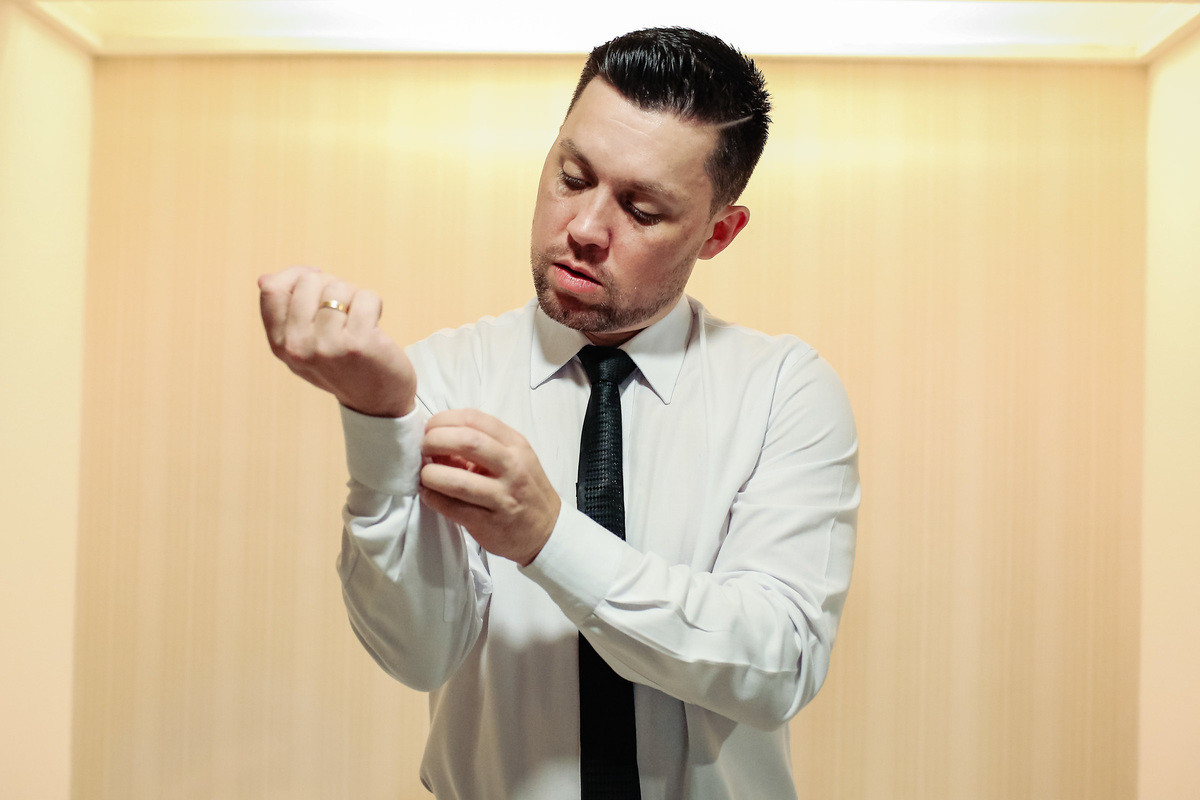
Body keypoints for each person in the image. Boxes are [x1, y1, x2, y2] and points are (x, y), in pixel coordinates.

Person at [258, 27, 858, 800]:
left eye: (641, 210)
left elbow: (777, 663)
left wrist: (547, 536)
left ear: (718, 233)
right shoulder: (443, 374)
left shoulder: (784, 390)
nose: (584, 229)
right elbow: (416, 653)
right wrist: (377, 421)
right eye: (572, 177)